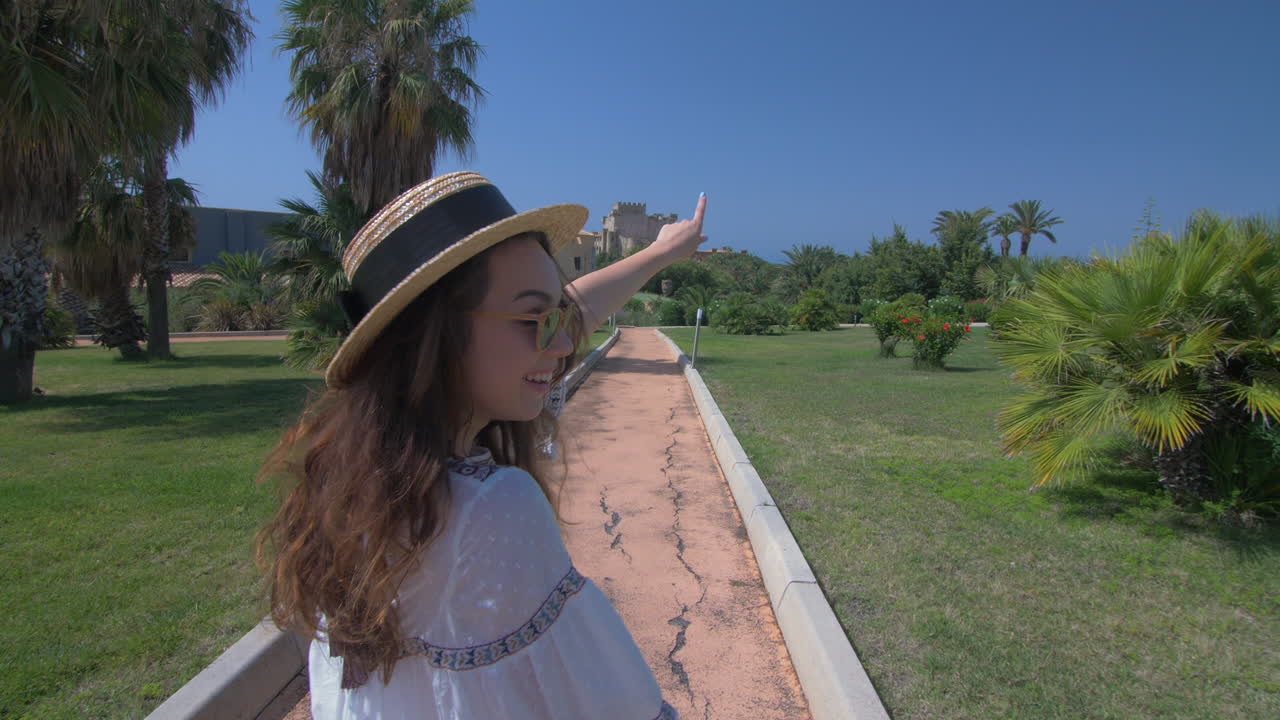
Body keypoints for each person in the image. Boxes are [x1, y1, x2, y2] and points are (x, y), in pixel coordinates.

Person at [256, 171, 708, 719]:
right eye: (535, 319)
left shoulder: (360, 482)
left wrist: (661, 252)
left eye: (558, 316)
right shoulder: (489, 508)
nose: (564, 342)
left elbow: (566, 313)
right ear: (437, 335)